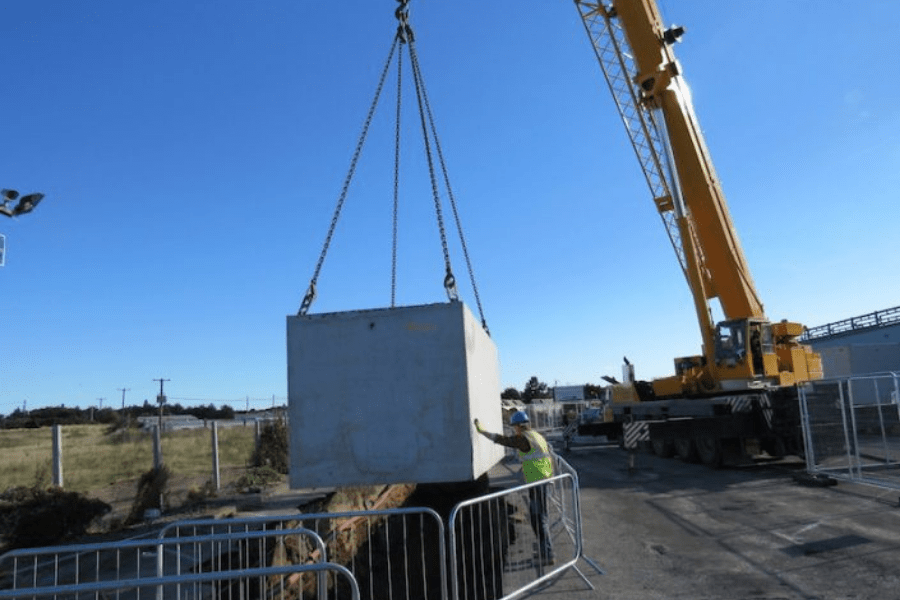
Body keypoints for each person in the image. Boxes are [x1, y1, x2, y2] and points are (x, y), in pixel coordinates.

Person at [474, 410, 555, 566]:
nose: (514, 430)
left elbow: (504, 440)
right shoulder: (536, 435)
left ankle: (548, 553)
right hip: (543, 479)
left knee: (539, 519)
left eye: (514, 427)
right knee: (538, 517)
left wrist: (483, 432)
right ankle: (544, 549)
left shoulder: (524, 439)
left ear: (519, 426)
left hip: (538, 482)